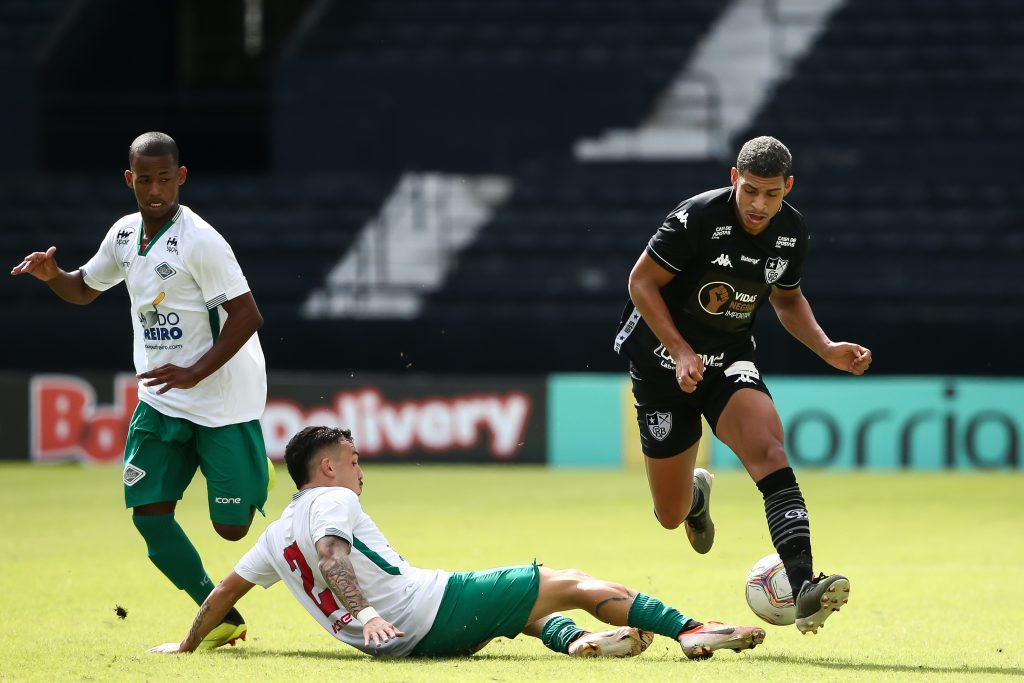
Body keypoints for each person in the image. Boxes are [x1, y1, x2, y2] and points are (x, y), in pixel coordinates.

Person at [147, 426, 766, 659]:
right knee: (569, 581)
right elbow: (334, 555)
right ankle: (690, 629)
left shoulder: (274, 534)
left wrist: (187, 644)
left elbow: (224, 593)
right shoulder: (335, 500)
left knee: (520, 610)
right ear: (328, 468)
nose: (361, 472)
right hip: (420, 614)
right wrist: (364, 612)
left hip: (394, 642)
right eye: (353, 461)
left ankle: (577, 641)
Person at [10, 132, 270, 648]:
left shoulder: (202, 242)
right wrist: (53, 275)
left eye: (165, 179)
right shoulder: (125, 235)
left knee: (232, 530)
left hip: (221, 399)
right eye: (145, 179)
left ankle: (253, 473)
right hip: (160, 397)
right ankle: (219, 616)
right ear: (129, 179)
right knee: (150, 515)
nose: (155, 190)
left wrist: (194, 371)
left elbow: (248, 316)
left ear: (181, 177)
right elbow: (84, 289)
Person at [613, 136, 868, 634]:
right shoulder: (696, 218)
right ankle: (695, 498)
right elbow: (640, 282)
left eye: (771, 194)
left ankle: (804, 586)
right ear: (734, 178)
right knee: (670, 514)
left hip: (728, 359)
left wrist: (825, 347)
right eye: (750, 190)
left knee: (769, 451)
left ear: (788, 187)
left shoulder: (791, 233)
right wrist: (681, 351)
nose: (758, 205)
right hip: (662, 364)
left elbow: (787, 299)